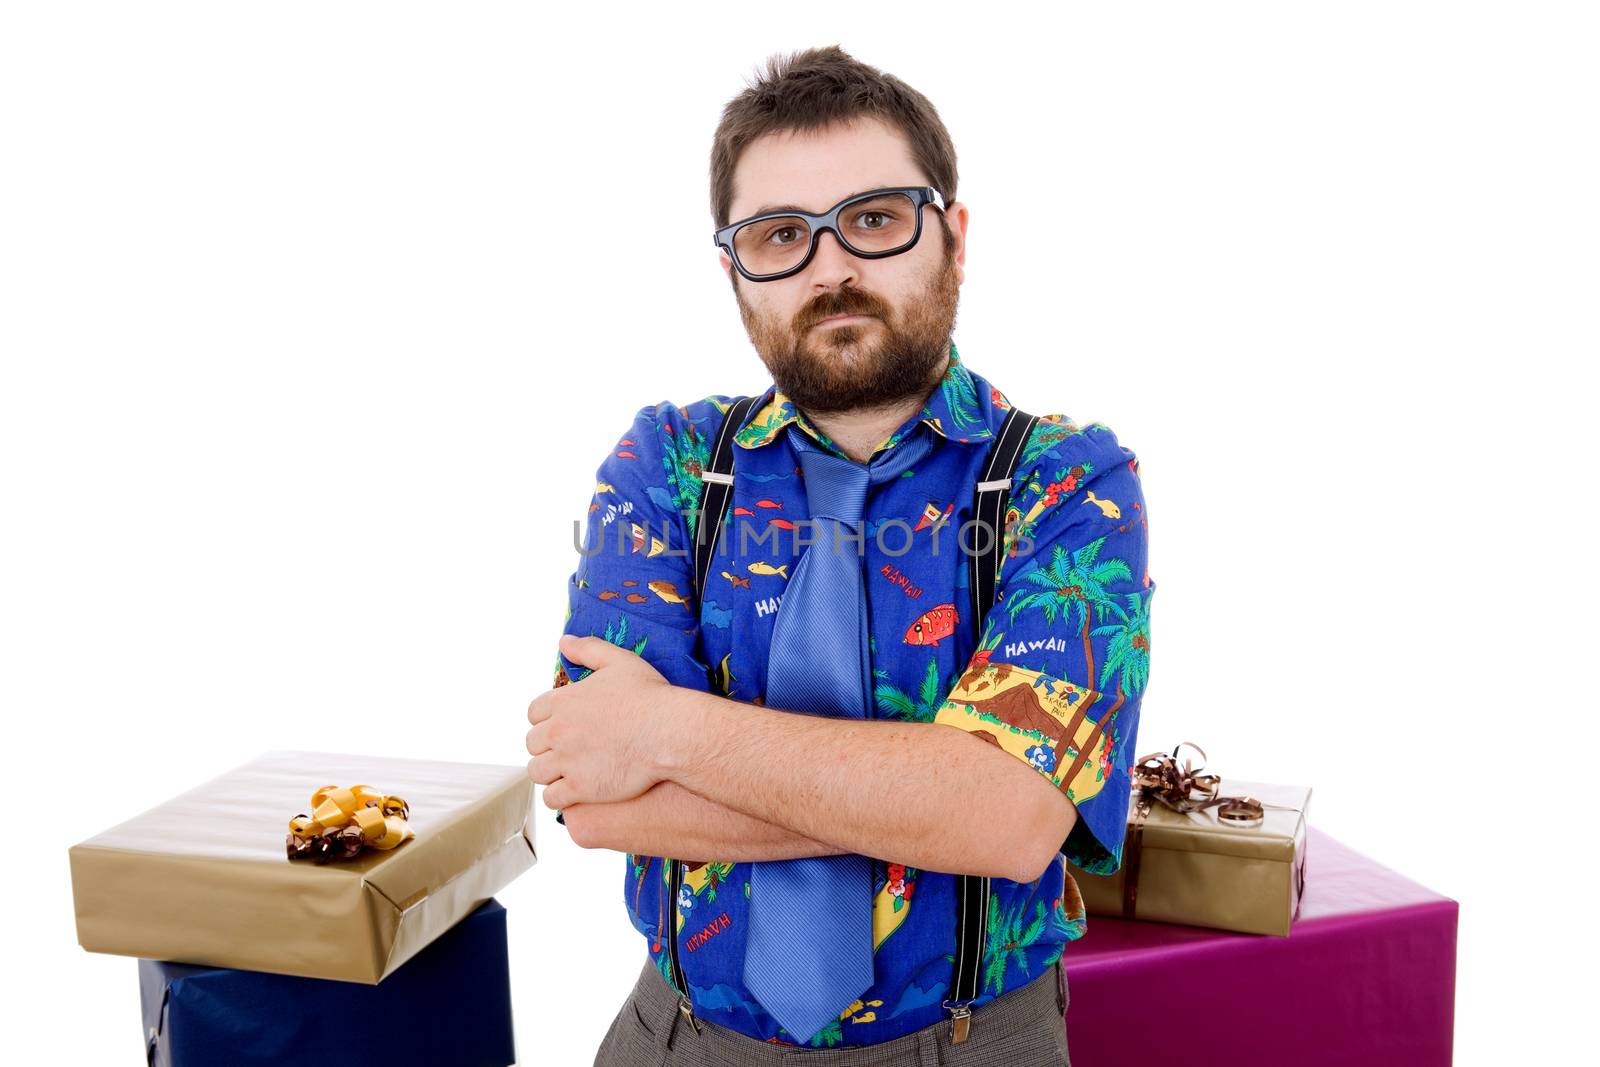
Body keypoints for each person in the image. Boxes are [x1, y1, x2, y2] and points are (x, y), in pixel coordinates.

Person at [526, 44, 1154, 1066]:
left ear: (951, 235)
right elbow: (597, 794)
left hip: (970, 1042)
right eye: (781, 235)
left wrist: (667, 729)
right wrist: (927, 795)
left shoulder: (1066, 481)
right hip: (675, 1038)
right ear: (734, 272)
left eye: (872, 219)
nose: (832, 267)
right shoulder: (669, 465)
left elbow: (1009, 819)